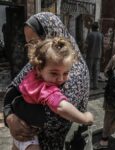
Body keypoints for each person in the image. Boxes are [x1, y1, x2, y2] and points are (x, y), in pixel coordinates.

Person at [3, 12, 90, 150]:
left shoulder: (74, 68)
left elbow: (53, 118)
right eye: (29, 43)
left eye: (35, 42)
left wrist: (16, 106)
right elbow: (13, 88)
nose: (32, 49)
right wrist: (10, 117)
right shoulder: (40, 60)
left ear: (52, 36)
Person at [85, 22, 103, 89]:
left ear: (92, 27)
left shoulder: (90, 34)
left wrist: (85, 52)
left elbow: (86, 45)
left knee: (89, 71)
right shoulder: (101, 35)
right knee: (96, 71)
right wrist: (102, 55)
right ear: (97, 28)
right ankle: (95, 85)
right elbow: (102, 46)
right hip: (98, 55)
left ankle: (88, 85)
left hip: (90, 55)